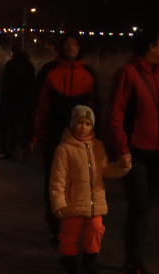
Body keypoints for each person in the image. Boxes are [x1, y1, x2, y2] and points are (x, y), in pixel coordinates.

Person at [106, 29, 159, 274]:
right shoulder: (128, 74)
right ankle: (133, 261)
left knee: (145, 207)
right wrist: (122, 149)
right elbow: (115, 115)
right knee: (139, 205)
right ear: (151, 47)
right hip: (135, 152)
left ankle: (136, 256)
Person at [32, 33, 99, 241]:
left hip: (80, 138)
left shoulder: (88, 73)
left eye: (75, 43)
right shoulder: (49, 71)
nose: (71, 47)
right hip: (54, 134)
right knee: (55, 182)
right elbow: (38, 105)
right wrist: (34, 134)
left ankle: (71, 224)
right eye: (67, 43)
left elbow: (96, 108)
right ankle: (55, 225)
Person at [50, 105, 131, 274]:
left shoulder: (98, 146)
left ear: (92, 126)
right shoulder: (64, 149)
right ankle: (69, 260)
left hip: (95, 202)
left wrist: (122, 167)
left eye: (87, 123)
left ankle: (90, 258)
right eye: (79, 122)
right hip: (72, 202)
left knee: (96, 230)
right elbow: (58, 179)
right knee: (69, 234)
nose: (83, 127)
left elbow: (105, 170)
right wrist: (58, 203)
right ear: (73, 124)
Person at [0, 42, 35, 160]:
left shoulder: (10, 65)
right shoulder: (29, 65)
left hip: (11, 100)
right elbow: (32, 83)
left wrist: (3, 99)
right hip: (26, 100)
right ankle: (24, 149)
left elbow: (5, 84)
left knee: (12, 126)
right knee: (24, 126)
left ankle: (11, 150)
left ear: (13, 52)